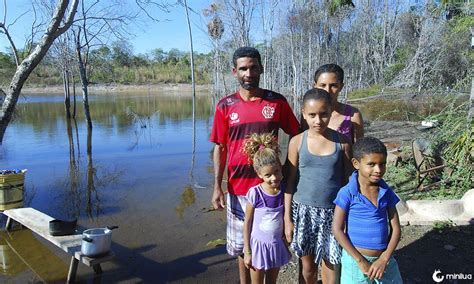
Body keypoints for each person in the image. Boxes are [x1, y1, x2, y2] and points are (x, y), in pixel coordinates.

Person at [210, 46, 300, 284]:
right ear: (234, 72)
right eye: (243, 68)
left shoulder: (276, 102)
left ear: (261, 68)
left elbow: (296, 135)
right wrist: (217, 186)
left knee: (271, 238)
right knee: (243, 246)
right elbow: (219, 147)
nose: (248, 73)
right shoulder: (225, 106)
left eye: (253, 67)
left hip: (271, 188)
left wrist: (289, 169)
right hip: (238, 189)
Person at [284, 88, 352, 284]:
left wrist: (347, 215)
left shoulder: (342, 143)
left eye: (323, 114)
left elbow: (349, 183)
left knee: (331, 263)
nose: (318, 120)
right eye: (312, 115)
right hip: (303, 212)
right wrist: (287, 219)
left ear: (331, 112)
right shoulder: (297, 142)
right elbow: (290, 182)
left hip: (333, 213)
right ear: (304, 114)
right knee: (307, 268)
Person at [332, 137, 403, 283]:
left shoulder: (386, 191)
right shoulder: (347, 193)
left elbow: (396, 228)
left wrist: (384, 258)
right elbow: (337, 229)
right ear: (356, 163)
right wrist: (360, 261)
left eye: (382, 164)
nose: (378, 170)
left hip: (384, 261)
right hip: (355, 263)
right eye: (371, 164)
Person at [241, 132, 290, 284]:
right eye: (268, 175)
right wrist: (247, 251)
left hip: (276, 245)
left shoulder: (284, 191)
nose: (274, 178)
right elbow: (247, 223)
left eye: (276, 172)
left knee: (271, 282)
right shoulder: (255, 193)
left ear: (280, 168)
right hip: (257, 248)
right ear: (259, 174)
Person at [312, 64, 364, 143]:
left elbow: (360, 150)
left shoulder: (353, 115)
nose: (327, 90)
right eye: (322, 85)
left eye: (333, 85)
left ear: (341, 87)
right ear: (315, 86)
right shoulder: (309, 115)